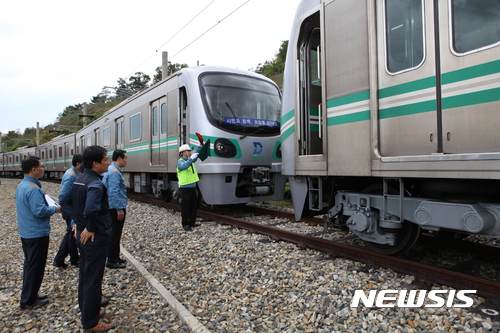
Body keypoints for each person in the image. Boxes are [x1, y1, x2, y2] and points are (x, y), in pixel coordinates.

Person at [67, 145, 115, 332]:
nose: (108, 163)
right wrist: (89, 227)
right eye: (105, 160)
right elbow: (92, 209)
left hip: (82, 236)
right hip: (96, 238)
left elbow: (65, 202)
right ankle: (91, 323)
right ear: (95, 163)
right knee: (94, 280)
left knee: (85, 276)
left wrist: (78, 224)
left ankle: (89, 311)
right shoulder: (95, 184)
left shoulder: (79, 179)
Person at [15, 156, 61, 310]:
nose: (43, 168)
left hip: (27, 232)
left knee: (30, 265)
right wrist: (55, 208)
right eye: (41, 166)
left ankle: (31, 294)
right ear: (33, 169)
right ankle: (28, 300)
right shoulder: (33, 189)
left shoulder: (22, 185)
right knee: (35, 267)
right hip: (36, 233)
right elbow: (39, 211)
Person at [53, 153, 83, 268]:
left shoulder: (73, 172)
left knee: (70, 233)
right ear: (78, 163)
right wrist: (71, 212)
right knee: (72, 234)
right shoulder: (71, 175)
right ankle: (73, 259)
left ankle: (61, 259)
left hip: (69, 208)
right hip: (69, 208)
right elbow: (63, 196)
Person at [102, 149, 128, 269]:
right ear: (119, 158)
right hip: (114, 208)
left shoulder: (113, 170)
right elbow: (113, 192)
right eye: (125, 158)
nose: (126, 161)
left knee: (116, 233)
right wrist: (119, 209)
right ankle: (112, 260)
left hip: (113, 206)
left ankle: (115, 257)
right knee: (114, 234)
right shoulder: (114, 172)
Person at [176, 144, 203, 231]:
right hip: (185, 189)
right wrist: (191, 158)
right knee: (185, 207)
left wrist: (199, 148)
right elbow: (184, 166)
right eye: (188, 151)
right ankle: (185, 224)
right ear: (183, 153)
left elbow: (194, 158)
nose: (190, 152)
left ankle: (192, 222)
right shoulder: (180, 162)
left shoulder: (189, 160)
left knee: (193, 206)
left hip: (193, 187)